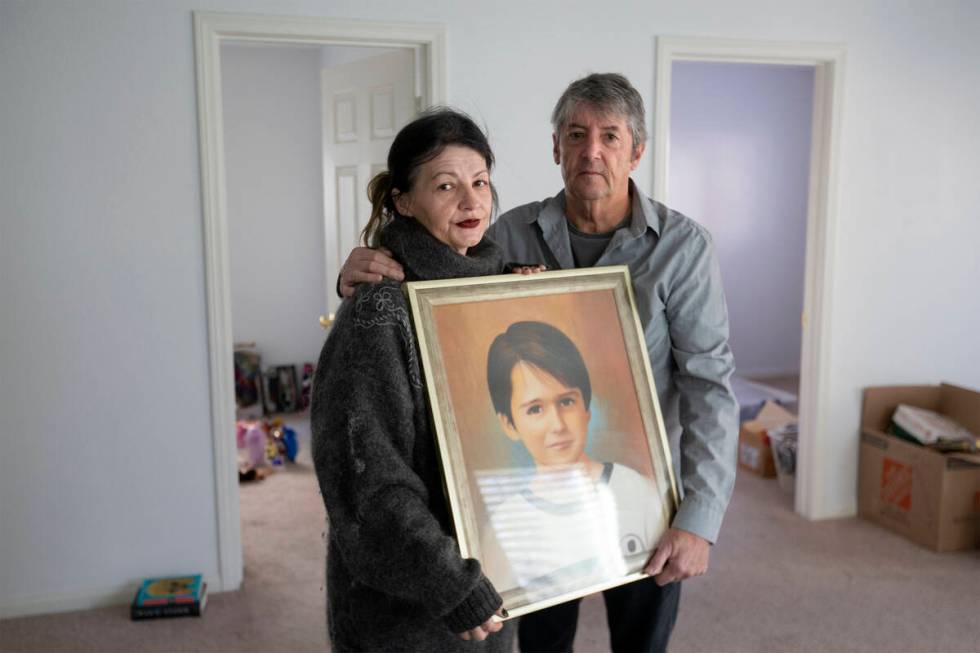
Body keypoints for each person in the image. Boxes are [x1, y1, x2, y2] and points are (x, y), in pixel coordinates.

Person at [338, 73, 739, 653]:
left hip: (645, 494)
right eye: (576, 134)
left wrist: (700, 519)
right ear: (555, 148)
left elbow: (709, 386)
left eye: (610, 136)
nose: (591, 151)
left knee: (643, 641)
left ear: (637, 151)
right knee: (542, 643)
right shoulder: (506, 232)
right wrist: (357, 270)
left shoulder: (684, 248)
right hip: (533, 499)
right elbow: (431, 282)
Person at [310, 108, 514, 652]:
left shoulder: (497, 284)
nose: (471, 202)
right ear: (403, 200)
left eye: (480, 183)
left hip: (490, 580)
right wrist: (450, 583)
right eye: (446, 186)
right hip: (412, 611)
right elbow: (371, 485)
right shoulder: (380, 311)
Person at [478, 320, 668, 603]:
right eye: (535, 409)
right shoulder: (503, 526)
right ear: (509, 425)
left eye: (566, 402)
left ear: (586, 407)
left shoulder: (637, 491)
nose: (557, 425)